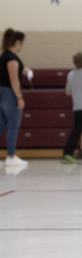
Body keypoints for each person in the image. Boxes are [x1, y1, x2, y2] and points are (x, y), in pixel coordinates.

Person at [0, 28, 29, 167]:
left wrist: (24, 70)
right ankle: (11, 157)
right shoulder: (12, 57)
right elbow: (13, 79)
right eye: (22, 43)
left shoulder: (4, 56)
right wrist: (19, 97)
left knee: (1, 125)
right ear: (18, 42)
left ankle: (11, 156)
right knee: (13, 125)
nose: (22, 46)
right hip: (8, 93)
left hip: (1, 92)